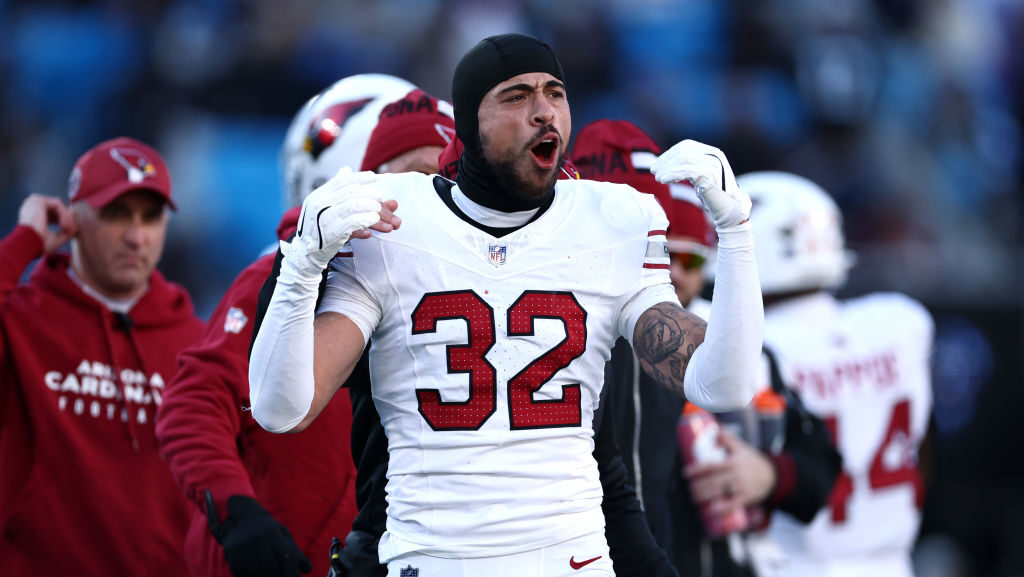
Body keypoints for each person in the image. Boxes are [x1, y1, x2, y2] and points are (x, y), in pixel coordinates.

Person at [249, 33, 763, 577]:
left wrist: (736, 234)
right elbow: (281, 411)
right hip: (431, 559)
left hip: (572, 560)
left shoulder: (612, 220)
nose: (543, 111)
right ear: (469, 124)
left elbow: (722, 386)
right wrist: (302, 262)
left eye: (555, 93)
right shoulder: (395, 226)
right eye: (516, 96)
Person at [155, 74, 421, 577]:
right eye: (415, 173)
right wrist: (239, 514)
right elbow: (195, 407)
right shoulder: (272, 278)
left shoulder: (459, 291)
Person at [576, 120, 841, 577]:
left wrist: (770, 474)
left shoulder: (740, 345)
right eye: (660, 252)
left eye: (691, 258)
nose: (674, 271)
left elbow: (821, 467)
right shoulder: (565, 332)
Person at [0, 137, 204, 575]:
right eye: (115, 214)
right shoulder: (20, 321)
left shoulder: (197, 343)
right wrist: (25, 241)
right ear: (71, 220)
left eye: (150, 218)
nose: (136, 236)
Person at [738, 171, 933, 577]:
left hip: (792, 564)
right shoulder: (902, 323)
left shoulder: (754, 349)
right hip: (893, 564)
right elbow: (922, 445)